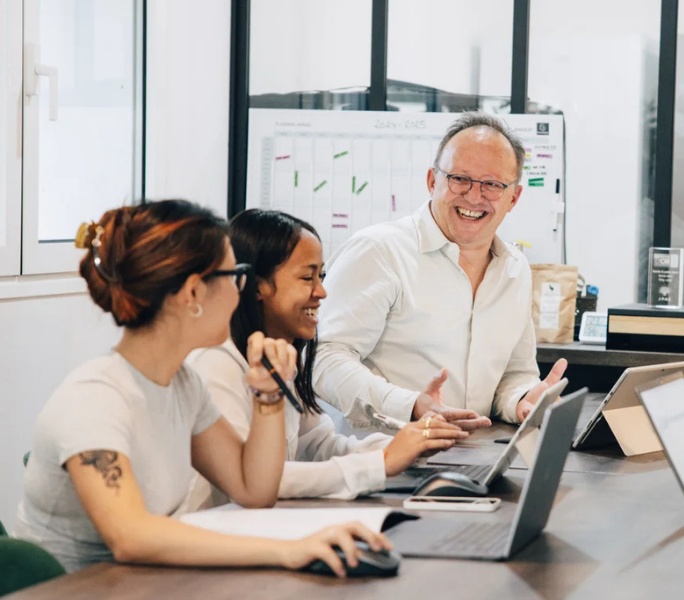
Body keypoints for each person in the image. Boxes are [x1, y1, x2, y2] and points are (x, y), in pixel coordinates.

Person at [14, 200, 388, 578]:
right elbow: (131, 536)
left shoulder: (183, 384)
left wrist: (268, 397)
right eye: (234, 276)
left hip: (150, 583)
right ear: (193, 294)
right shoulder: (95, 398)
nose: (241, 291)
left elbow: (253, 489)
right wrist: (287, 551)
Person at [185, 209, 467, 510]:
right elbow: (258, 480)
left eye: (321, 276)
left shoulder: (281, 358)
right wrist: (382, 463)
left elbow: (320, 446)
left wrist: (413, 446)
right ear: (255, 286)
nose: (321, 292)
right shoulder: (216, 364)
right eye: (307, 277)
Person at [313, 111, 567, 430]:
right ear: (433, 181)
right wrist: (411, 405)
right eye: (459, 179)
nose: (474, 197)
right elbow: (323, 359)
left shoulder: (515, 269)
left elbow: (515, 374)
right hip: (381, 465)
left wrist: (522, 401)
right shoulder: (378, 251)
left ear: (513, 197)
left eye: (491, 184)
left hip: (473, 460)